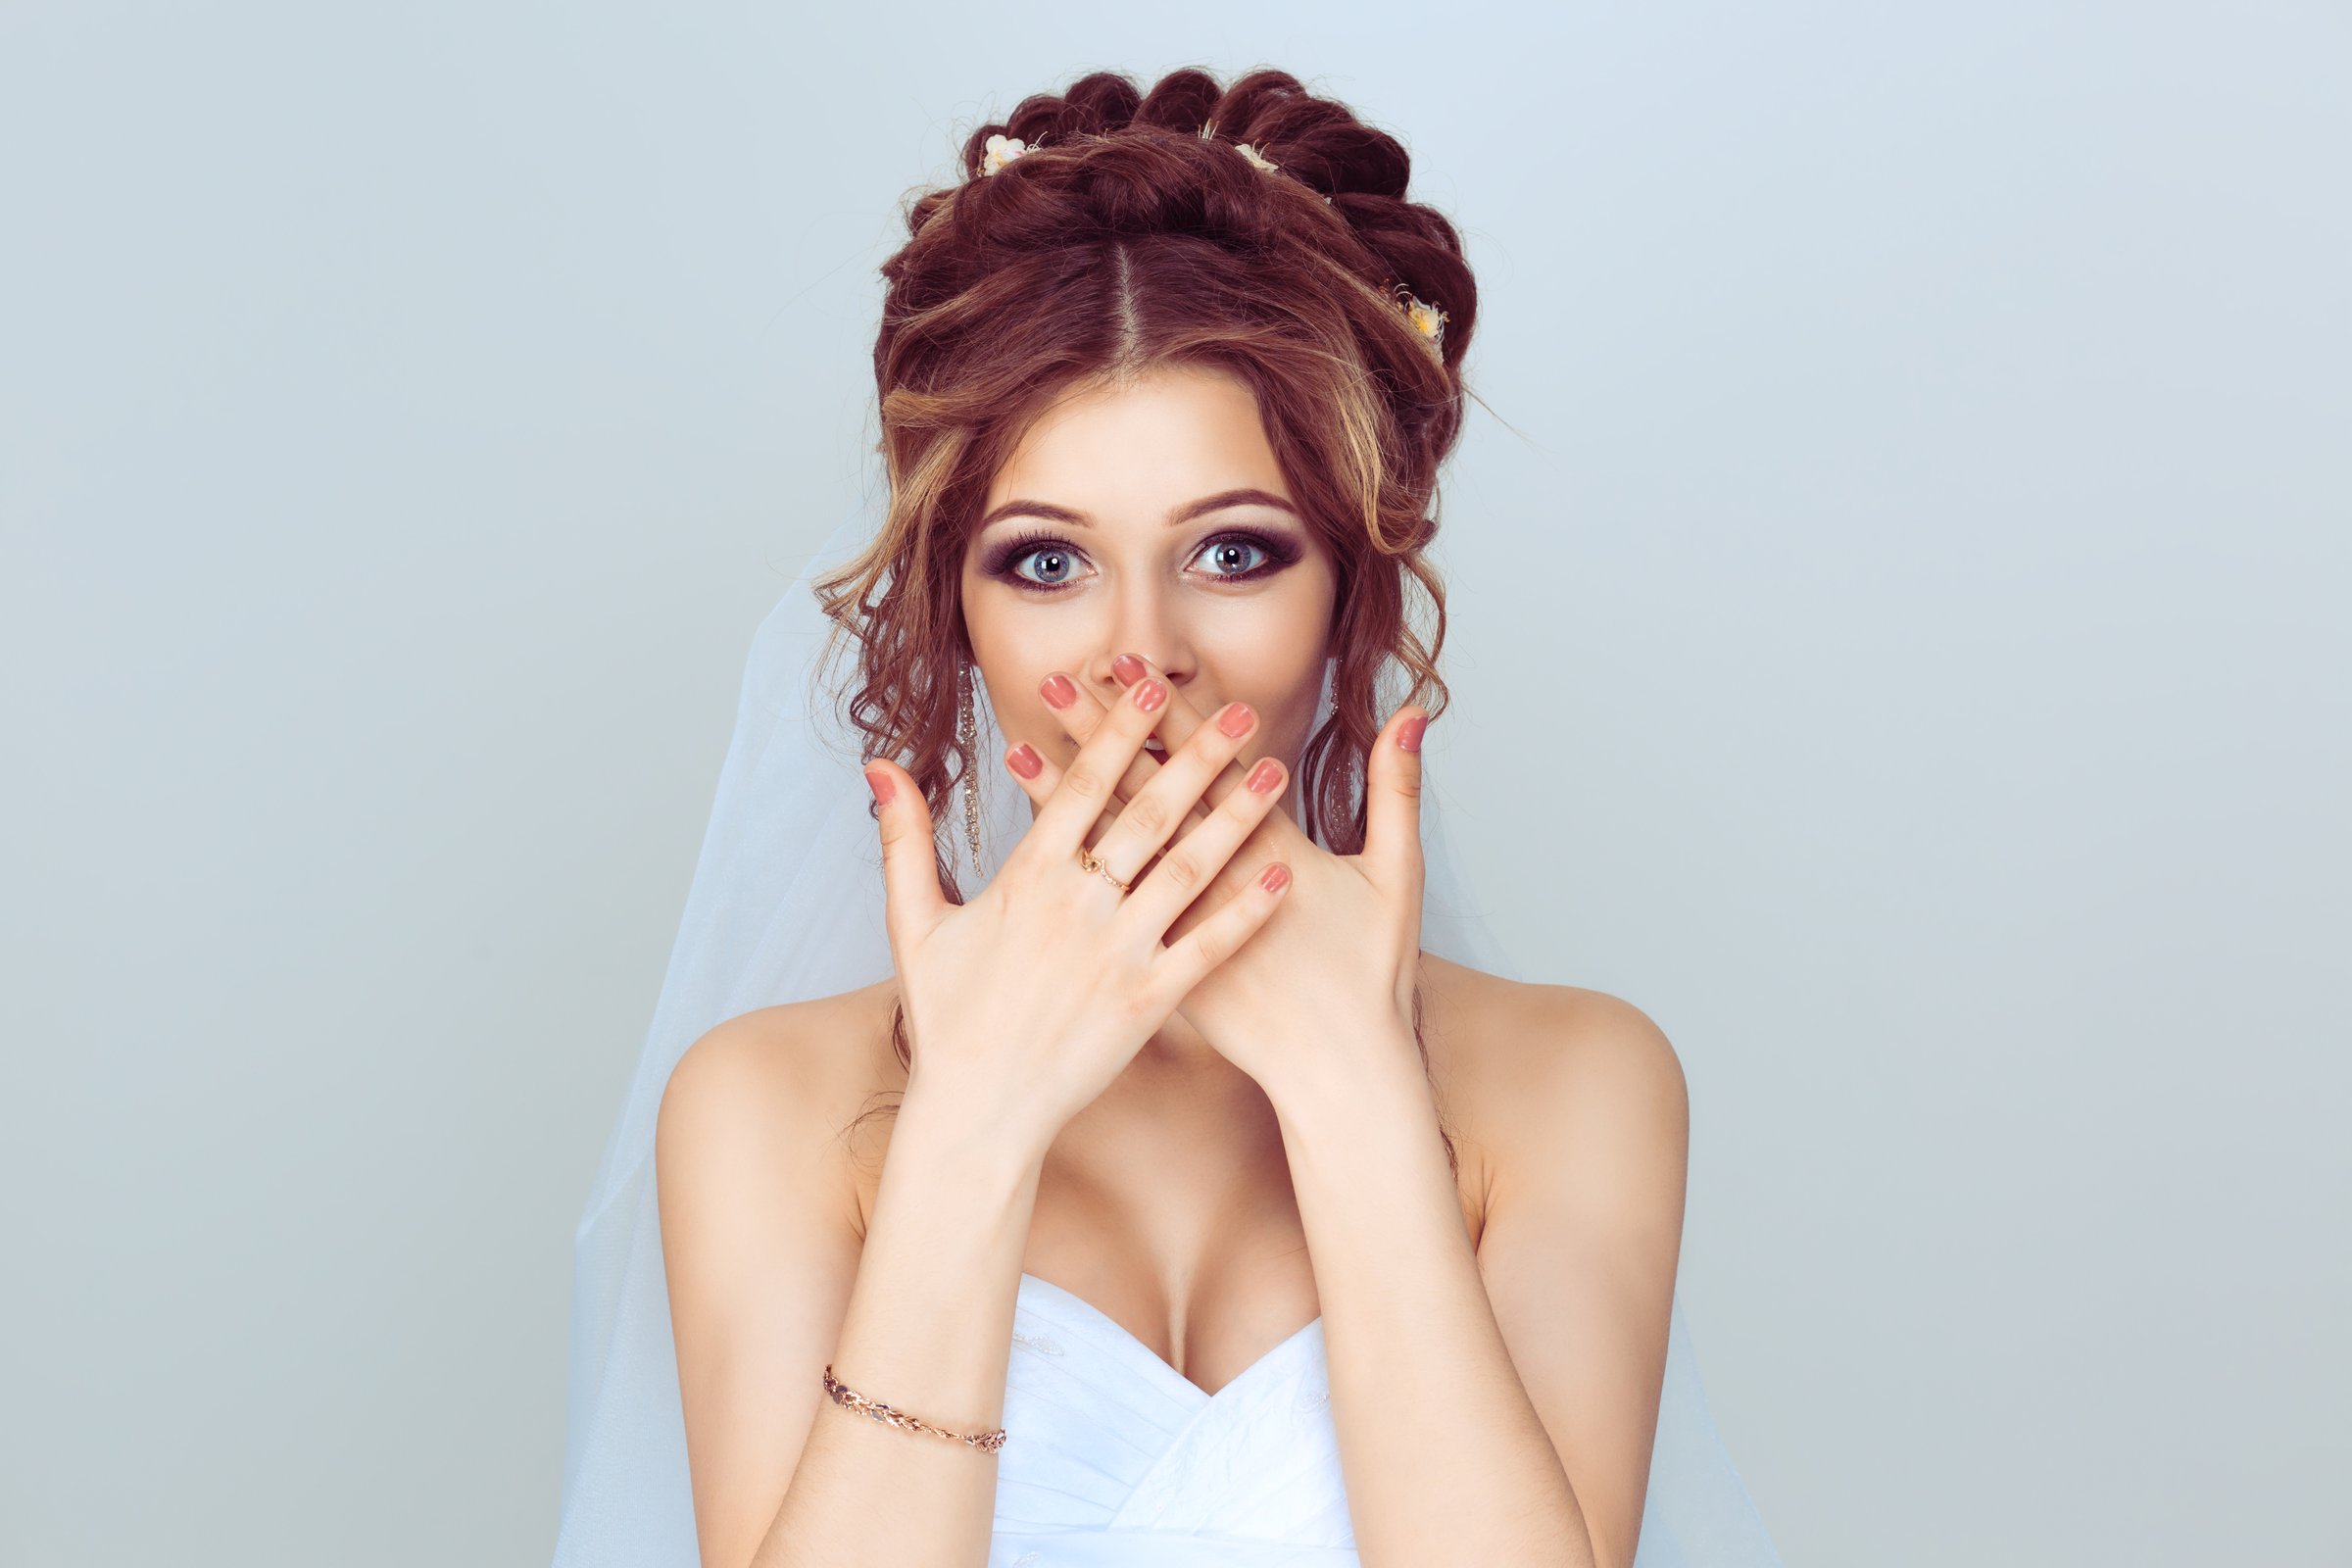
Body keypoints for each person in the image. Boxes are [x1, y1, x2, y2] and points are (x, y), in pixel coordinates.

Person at [553, 65, 1783, 1568]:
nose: (1142, 661)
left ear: (1351, 594)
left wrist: (1352, 1086)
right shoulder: (767, 1112)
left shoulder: (1575, 1085)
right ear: (953, 613)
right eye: (1047, 565)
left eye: (1236, 553)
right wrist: (975, 1122)